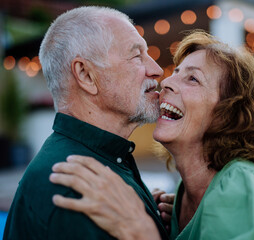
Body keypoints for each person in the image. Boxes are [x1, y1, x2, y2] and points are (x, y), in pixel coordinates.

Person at [49, 31, 254, 239]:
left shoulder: (242, 183)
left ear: (229, 114)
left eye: (193, 79)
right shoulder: (183, 196)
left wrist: (139, 228)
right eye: (175, 72)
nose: (166, 82)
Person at [3, 6, 172, 240]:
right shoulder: (76, 189)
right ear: (85, 75)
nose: (156, 70)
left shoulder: (102, 162)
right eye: (136, 56)